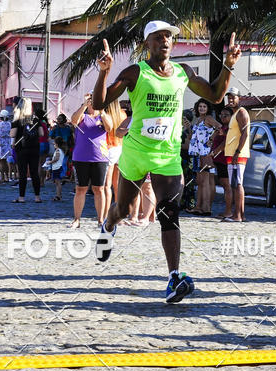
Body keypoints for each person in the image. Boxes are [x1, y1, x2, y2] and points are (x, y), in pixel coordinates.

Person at [93, 20, 242, 304]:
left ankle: (174, 277)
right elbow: (100, 103)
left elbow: (215, 95)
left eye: (169, 37)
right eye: (158, 37)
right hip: (136, 152)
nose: (165, 41)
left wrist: (228, 65)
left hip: (168, 156)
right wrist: (104, 72)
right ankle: (108, 226)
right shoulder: (135, 72)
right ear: (147, 43)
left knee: (168, 212)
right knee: (124, 209)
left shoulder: (183, 72)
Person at [69, 93, 113, 227]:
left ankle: (101, 220)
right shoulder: (83, 116)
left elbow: (109, 128)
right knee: (80, 189)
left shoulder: (103, 116)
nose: (93, 103)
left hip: (100, 158)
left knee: (99, 189)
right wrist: (84, 105)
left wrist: (102, 111)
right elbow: (74, 120)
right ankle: (77, 219)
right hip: (81, 157)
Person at [187, 99, 219, 216]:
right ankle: (198, 207)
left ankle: (206, 208)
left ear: (208, 108)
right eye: (200, 106)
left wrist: (211, 139)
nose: (202, 108)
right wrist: (189, 127)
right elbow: (193, 137)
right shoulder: (198, 120)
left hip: (204, 153)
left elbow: (219, 128)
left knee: (205, 181)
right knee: (200, 181)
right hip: (196, 153)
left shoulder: (208, 118)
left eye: (204, 106)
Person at [222, 88, 250, 223]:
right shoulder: (235, 114)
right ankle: (240, 215)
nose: (231, 100)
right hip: (232, 154)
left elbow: (245, 133)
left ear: (240, 98)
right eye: (229, 98)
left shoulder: (241, 113)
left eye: (233, 97)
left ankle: (237, 215)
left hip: (237, 155)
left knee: (237, 184)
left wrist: (237, 152)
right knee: (235, 184)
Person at [10, 97, 42, 203]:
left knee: (22, 173)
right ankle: (37, 197)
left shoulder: (17, 118)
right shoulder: (35, 118)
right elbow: (41, 133)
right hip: (34, 148)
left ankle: (21, 197)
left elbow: (12, 134)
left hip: (21, 148)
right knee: (34, 173)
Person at [103, 99, 127, 218]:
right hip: (121, 147)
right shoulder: (123, 114)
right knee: (117, 185)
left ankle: (106, 213)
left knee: (107, 185)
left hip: (110, 147)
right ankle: (118, 212)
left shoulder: (107, 115)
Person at [210, 106, 233, 219]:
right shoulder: (222, 128)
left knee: (227, 186)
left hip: (225, 160)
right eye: (221, 115)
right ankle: (227, 210)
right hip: (219, 161)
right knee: (224, 185)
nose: (223, 117)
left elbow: (225, 143)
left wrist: (214, 152)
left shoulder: (230, 128)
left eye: (226, 115)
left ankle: (228, 211)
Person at [0, 109, 12, 183]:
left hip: (1, 145)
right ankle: (7, 176)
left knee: (0, 161)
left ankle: (2, 177)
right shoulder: (10, 124)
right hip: (8, 144)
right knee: (5, 161)